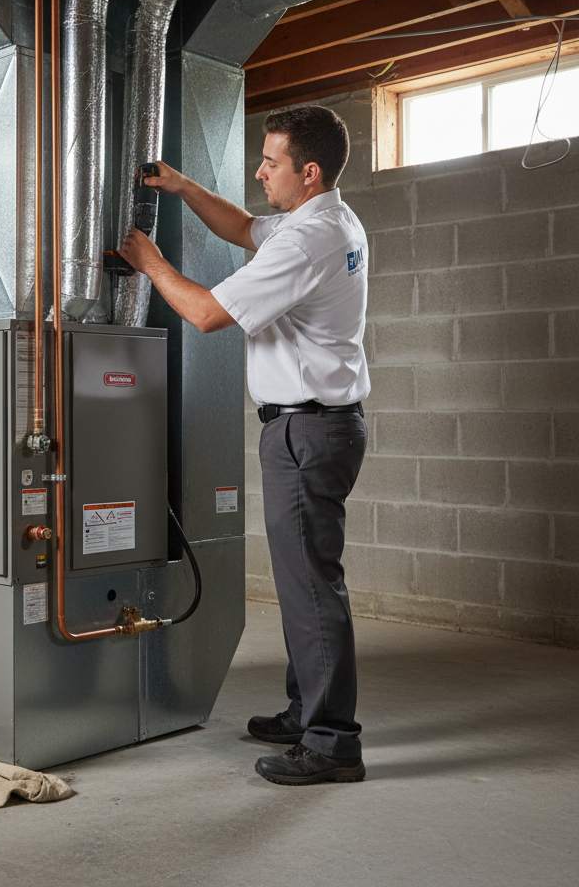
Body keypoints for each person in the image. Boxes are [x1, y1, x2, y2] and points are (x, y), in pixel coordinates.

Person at [117, 104, 370, 786]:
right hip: (323, 424)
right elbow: (244, 227)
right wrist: (185, 186)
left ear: (308, 173)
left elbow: (202, 314)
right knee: (304, 583)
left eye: (271, 162)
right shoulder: (326, 218)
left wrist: (151, 261)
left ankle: (331, 743)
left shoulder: (305, 241)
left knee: (311, 586)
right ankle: (305, 711)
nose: (260, 172)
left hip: (305, 431)